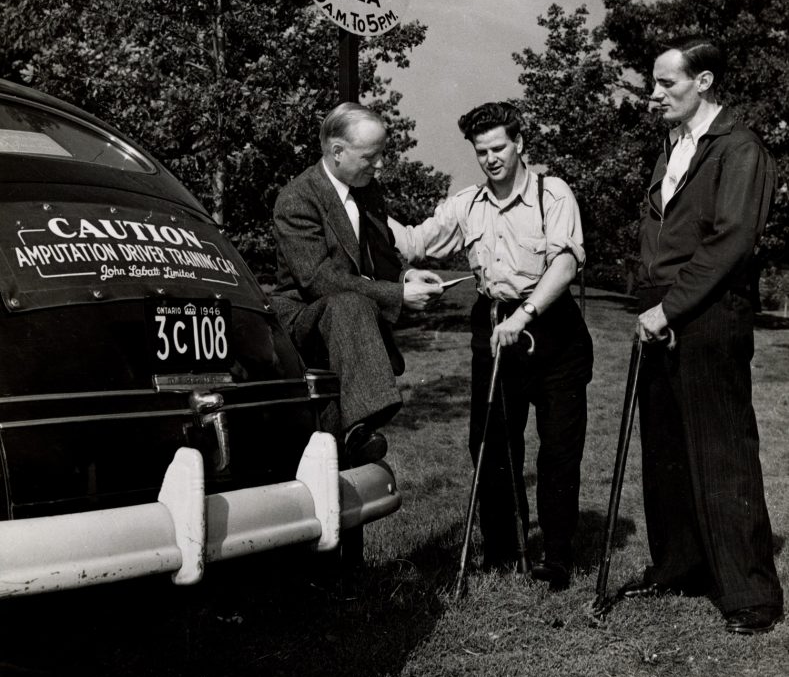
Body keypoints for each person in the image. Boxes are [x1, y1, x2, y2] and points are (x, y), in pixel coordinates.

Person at [390, 102, 593, 588]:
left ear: (520, 143)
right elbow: (416, 243)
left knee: (559, 448)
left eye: (498, 148)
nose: (491, 159)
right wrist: (364, 206)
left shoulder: (553, 194)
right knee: (491, 445)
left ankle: (557, 556)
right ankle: (503, 553)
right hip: (494, 327)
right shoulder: (467, 203)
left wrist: (525, 314)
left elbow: (565, 264)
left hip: (551, 326)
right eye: (481, 152)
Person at [627, 35, 784, 634]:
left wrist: (671, 308)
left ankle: (750, 594)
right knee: (665, 447)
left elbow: (730, 243)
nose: (655, 94)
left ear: (705, 82)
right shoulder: (676, 145)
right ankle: (680, 567)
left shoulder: (740, 149)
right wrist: (650, 297)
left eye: (667, 83)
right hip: (660, 308)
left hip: (709, 314)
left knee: (720, 448)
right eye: (654, 82)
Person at [271, 102, 443, 467]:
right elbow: (318, 280)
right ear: (337, 152)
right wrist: (397, 295)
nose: (380, 165)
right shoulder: (297, 198)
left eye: (382, 154)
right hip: (306, 320)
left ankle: (359, 431)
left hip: (350, 319)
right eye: (371, 156)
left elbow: (381, 256)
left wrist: (406, 276)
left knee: (350, 303)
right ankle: (363, 424)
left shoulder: (368, 191)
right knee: (347, 302)